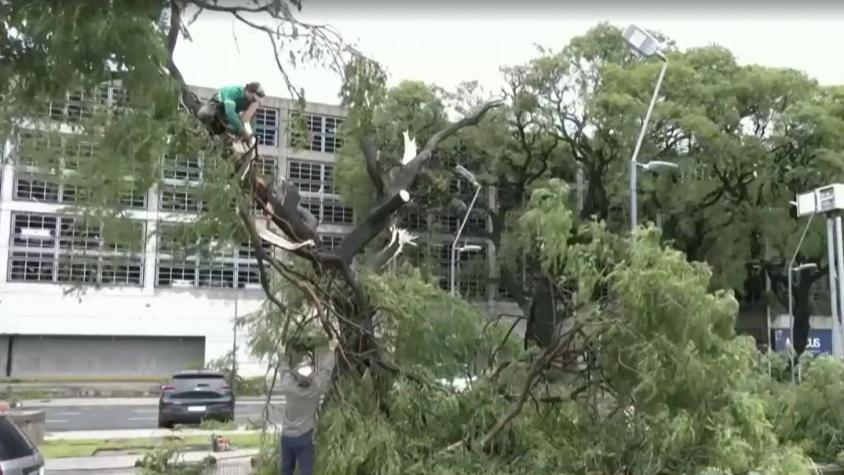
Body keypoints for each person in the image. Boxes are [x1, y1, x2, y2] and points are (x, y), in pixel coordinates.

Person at [277, 340, 337, 475]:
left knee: (286, 471)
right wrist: (332, 349)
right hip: (304, 437)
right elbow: (325, 370)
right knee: (306, 471)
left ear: (297, 377)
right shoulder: (315, 389)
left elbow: (284, 370)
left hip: (287, 437)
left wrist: (281, 353)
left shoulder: (289, 387)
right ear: (310, 377)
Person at [197, 82, 265, 144]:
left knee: (229, 138)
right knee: (205, 114)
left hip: (226, 116)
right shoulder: (234, 91)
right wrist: (242, 131)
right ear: (249, 91)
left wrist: (246, 134)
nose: (252, 102)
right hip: (217, 106)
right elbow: (230, 112)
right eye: (253, 99)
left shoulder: (249, 102)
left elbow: (245, 120)